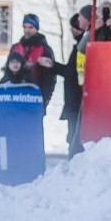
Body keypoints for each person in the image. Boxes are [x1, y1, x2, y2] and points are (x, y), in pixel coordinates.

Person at [43, 13, 86, 158]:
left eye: (76, 29)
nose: (73, 32)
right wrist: (53, 66)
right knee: (72, 136)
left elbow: (72, 74)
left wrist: (53, 66)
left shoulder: (84, 47)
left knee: (76, 137)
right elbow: (70, 72)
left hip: (78, 100)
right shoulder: (79, 47)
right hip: (73, 99)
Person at [10, 14, 56, 111]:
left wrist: (44, 100)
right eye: (25, 27)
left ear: (36, 28)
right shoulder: (16, 47)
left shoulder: (44, 50)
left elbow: (50, 79)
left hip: (35, 97)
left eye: (30, 27)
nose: (27, 30)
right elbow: (7, 71)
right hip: (15, 98)